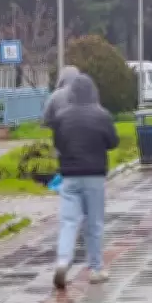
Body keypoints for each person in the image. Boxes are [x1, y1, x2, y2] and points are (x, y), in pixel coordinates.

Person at [52, 73, 119, 290]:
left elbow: (58, 144)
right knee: (94, 223)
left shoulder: (61, 116)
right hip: (94, 175)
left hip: (69, 175)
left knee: (69, 221)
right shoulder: (102, 115)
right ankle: (96, 269)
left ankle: (63, 261)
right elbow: (112, 142)